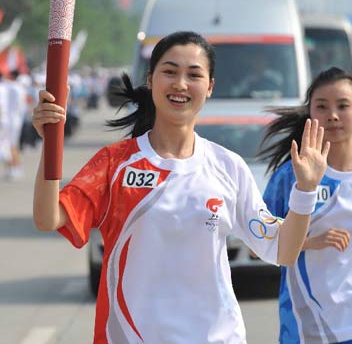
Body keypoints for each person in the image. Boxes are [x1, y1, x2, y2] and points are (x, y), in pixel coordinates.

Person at [32, 31, 329, 344]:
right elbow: (48, 217)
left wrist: (306, 190)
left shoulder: (227, 166)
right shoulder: (115, 163)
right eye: (170, 72)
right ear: (150, 79)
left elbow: (283, 249)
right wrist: (49, 145)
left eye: (194, 75)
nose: (181, 84)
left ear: (210, 86)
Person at [261, 66, 352, 344]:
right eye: (322, 106)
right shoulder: (291, 176)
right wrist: (311, 241)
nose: (333, 115)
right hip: (307, 327)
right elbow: (260, 240)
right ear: (310, 112)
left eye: (343, 105)